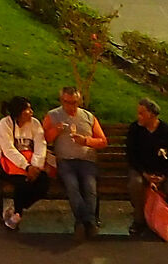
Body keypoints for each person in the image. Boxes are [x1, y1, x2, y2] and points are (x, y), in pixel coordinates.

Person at [43, 83, 109, 237]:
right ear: (61, 100)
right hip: (65, 160)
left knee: (90, 187)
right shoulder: (53, 116)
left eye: (74, 102)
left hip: (87, 159)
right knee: (72, 186)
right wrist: (55, 130)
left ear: (79, 102)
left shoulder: (88, 117)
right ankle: (87, 221)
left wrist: (86, 141)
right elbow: (43, 139)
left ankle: (84, 222)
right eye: (66, 102)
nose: (70, 106)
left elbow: (103, 141)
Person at [124, 97, 168, 237]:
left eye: (142, 114)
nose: (139, 117)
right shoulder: (135, 130)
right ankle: (139, 220)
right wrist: (144, 173)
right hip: (141, 170)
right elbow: (131, 156)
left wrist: (163, 176)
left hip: (164, 172)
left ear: (152, 115)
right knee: (135, 184)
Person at [0, 95, 52, 231]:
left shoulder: (35, 124)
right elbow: (8, 150)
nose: (31, 112)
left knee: (44, 183)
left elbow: (40, 145)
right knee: (23, 182)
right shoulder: (5, 124)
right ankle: (17, 214)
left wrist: (35, 166)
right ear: (19, 112)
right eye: (27, 109)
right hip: (10, 165)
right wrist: (26, 166)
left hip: (32, 164)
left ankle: (16, 209)